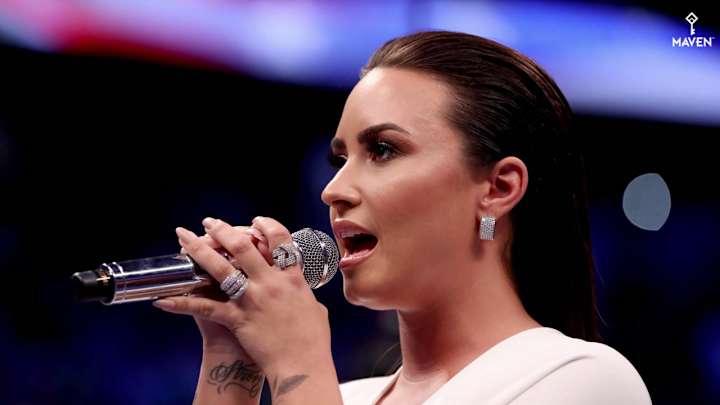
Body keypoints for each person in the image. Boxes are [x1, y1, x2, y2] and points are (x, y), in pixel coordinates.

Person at [152, 30, 652, 404]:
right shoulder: (343, 397)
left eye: (384, 150)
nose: (333, 190)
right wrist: (232, 361)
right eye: (340, 158)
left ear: (498, 188)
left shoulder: (584, 379)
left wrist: (297, 360)